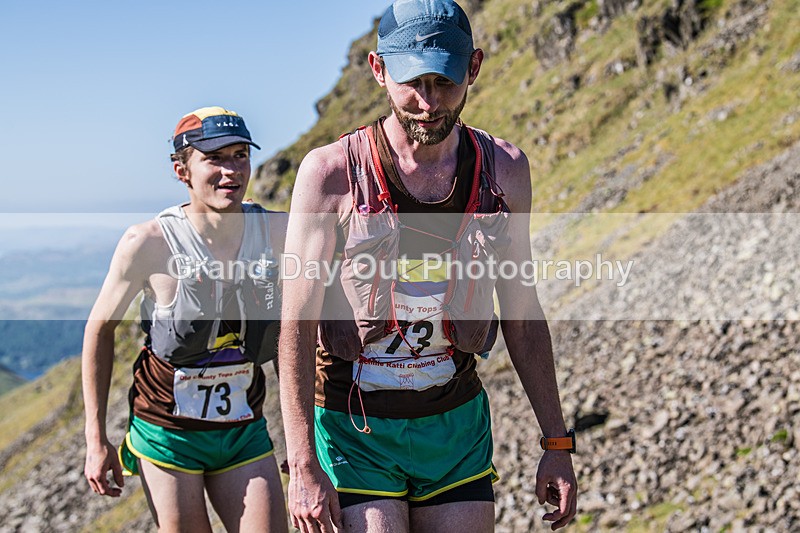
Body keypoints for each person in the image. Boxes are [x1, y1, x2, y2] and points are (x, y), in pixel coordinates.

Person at [279, 1, 577, 532]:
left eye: (444, 81)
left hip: (456, 426)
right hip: (355, 428)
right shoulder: (330, 174)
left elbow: (522, 310)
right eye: (411, 81)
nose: (427, 102)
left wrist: (556, 441)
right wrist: (302, 464)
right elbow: (295, 322)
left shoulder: (504, 171)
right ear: (378, 70)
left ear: (474, 67)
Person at [82, 106, 289, 532]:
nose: (231, 170)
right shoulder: (149, 243)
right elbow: (99, 329)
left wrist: (307, 437)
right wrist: (95, 438)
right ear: (182, 170)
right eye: (214, 158)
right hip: (167, 432)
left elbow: (301, 333)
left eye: (240, 155)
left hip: (243, 425)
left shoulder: (278, 232)